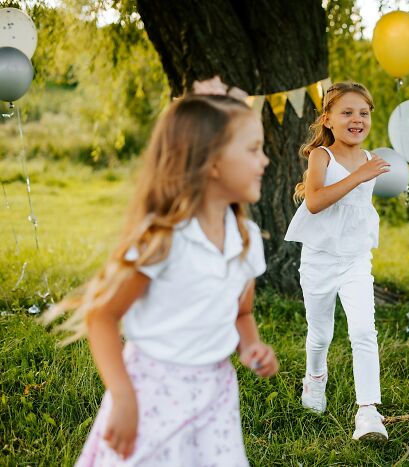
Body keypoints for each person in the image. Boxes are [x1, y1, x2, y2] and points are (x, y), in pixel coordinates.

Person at [44, 84, 277, 465]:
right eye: (253, 149)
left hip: (215, 394)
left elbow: (241, 314)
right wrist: (122, 397)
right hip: (153, 391)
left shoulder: (246, 240)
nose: (264, 161)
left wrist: (250, 346)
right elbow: (102, 315)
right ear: (212, 161)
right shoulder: (164, 240)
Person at [284, 81, 390, 441]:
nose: (357, 119)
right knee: (321, 334)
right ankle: (315, 378)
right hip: (319, 261)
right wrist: (360, 175)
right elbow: (314, 202)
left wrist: (370, 173)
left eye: (363, 112)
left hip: (356, 260)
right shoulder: (322, 158)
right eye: (348, 112)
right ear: (328, 120)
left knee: (363, 331)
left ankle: (368, 412)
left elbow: (359, 209)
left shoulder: (369, 158)